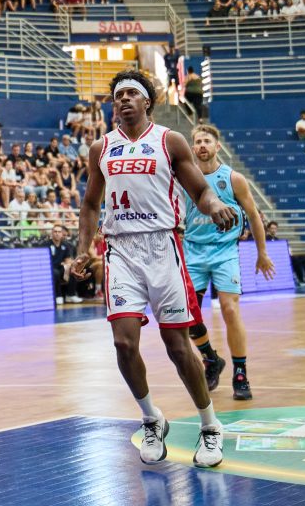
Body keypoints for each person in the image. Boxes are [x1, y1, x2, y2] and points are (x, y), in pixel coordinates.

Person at [70, 69, 237, 469]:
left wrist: (214, 205)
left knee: (178, 347)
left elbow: (200, 190)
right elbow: (91, 204)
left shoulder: (169, 140)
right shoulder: (101, 148)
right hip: (120, 251)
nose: (123, 99)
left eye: (131, 93)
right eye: (118, 95)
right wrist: (83, 248)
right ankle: (151, 418)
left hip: (164, 247)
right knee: (124, 344)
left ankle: (210, 424)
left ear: (147, 101)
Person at [183, 125, 276, 402]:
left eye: (207, 141)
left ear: (217, 146)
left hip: (225, 251)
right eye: (198, 141)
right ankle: (211, 358)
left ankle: (240, 374)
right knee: (186, 316)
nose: (202, 145)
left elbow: (254, 215)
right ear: (192, 148)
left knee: (229, 309)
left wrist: (262, 253)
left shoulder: (234, 178)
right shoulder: (184, 178)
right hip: (193, 251)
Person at [48, 224, 79, 304]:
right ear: (52, 233)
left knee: (72, 269)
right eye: (55, 232)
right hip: (49, 268)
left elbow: (68, 259)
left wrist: (69, 265)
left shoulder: (65, 245)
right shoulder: (46, 244)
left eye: (59, 232)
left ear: (62, 234)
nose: (57, 233)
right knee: (55, 273)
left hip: (60, 267)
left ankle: (70, 295)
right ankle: (58, 296)